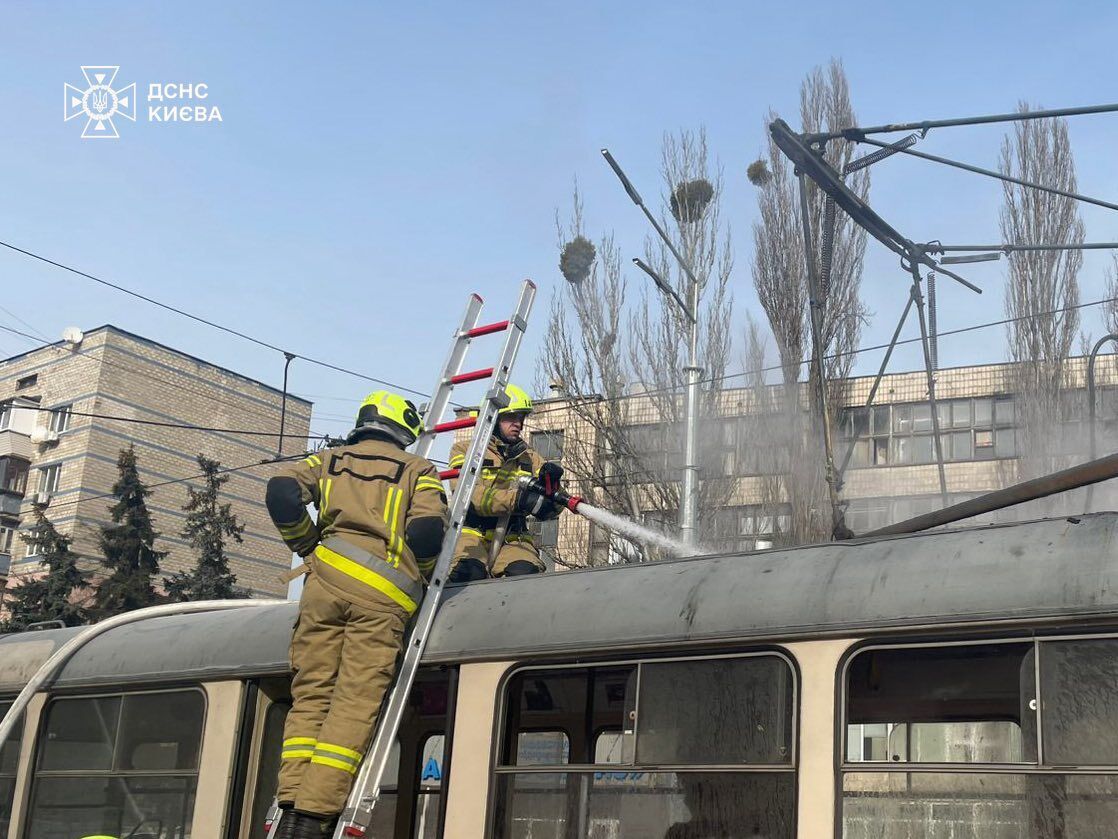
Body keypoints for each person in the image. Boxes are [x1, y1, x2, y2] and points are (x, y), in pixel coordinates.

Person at [265, 391, 448, 838]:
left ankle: (290, 802)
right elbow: (426, 534)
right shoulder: (418, 470)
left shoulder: (326, 462)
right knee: (353, 703)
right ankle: (311, 818)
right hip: (383, 600)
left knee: (310, 698)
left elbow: (282, 493)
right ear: (403, 429)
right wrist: (418, 579)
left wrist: (308, 546)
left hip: (322, 589)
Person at [446, 384, 563, 582]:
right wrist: (518, 499)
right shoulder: (466, 451)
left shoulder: (530, 457)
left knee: (524, 576)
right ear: (493, 419)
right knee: (468, 574)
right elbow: (470, 496)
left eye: (521, 418)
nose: (517, 424)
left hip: (513, 538)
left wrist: (553, 487)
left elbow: (556, 504)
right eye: (511, 417)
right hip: (471, 535)